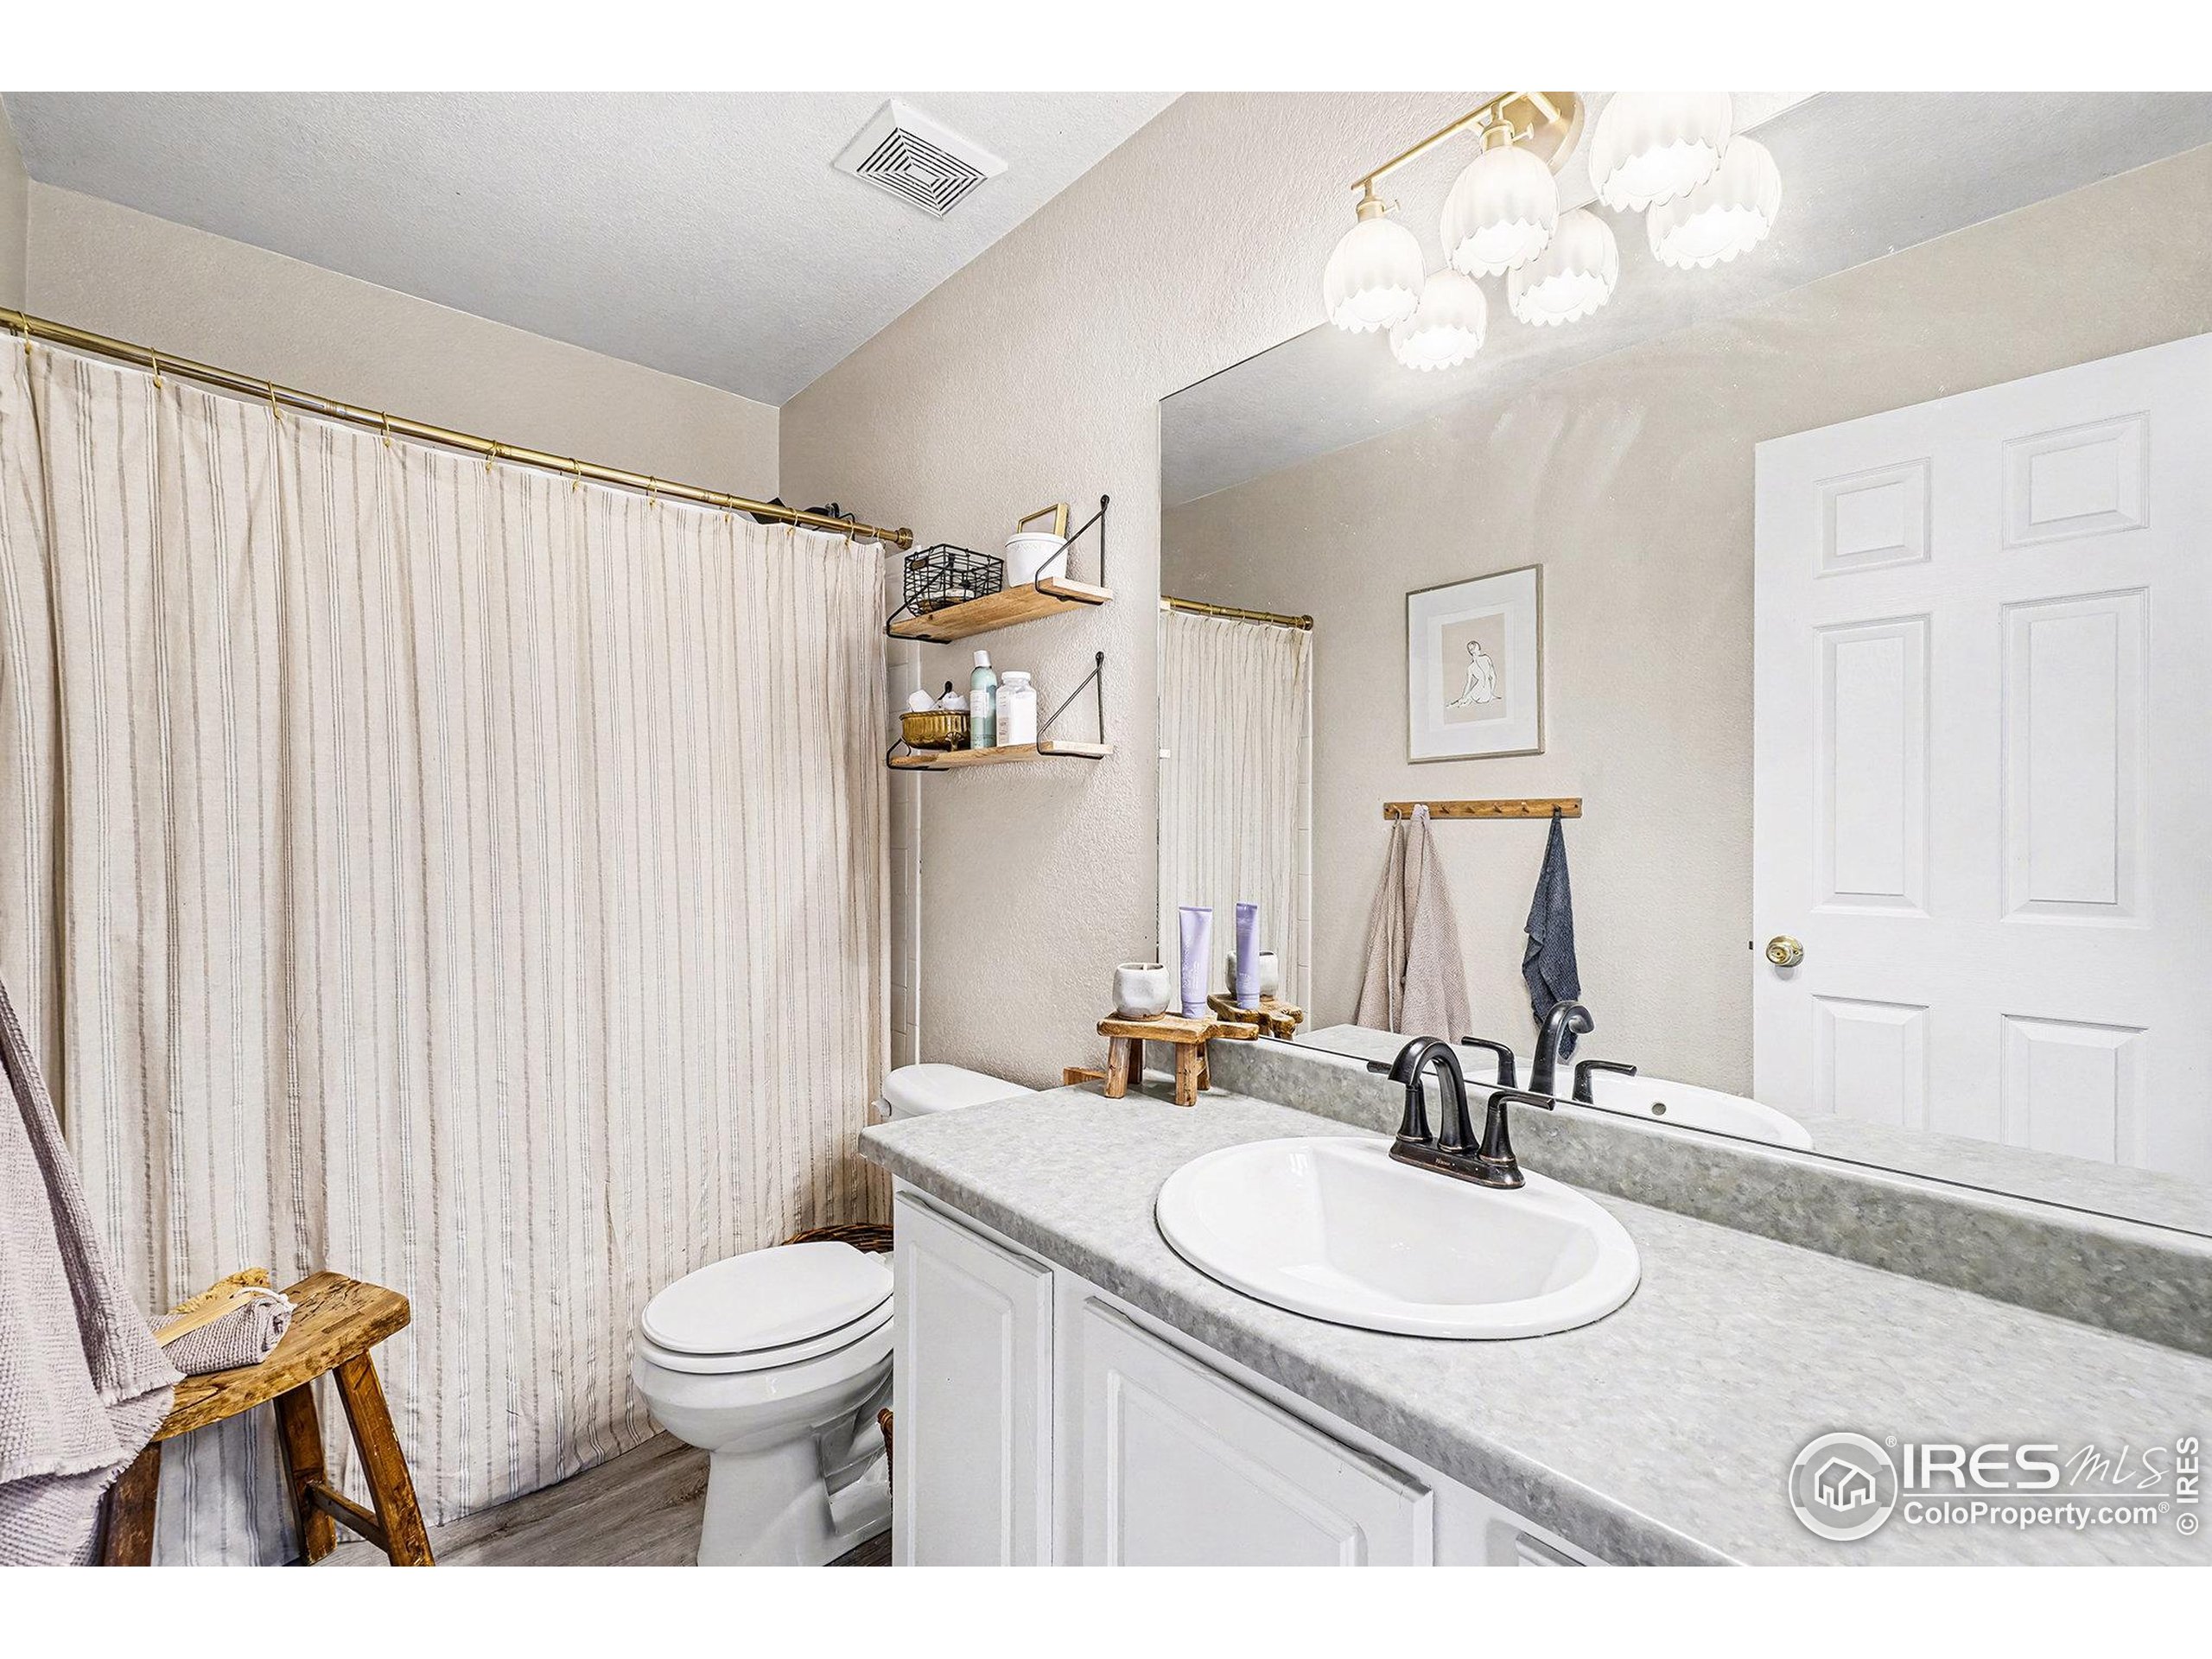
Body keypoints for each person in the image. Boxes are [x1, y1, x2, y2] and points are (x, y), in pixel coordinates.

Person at [1446, 638, 1499, 709]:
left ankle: (1464, 702)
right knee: (1468, 698)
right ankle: (1466, 701)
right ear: (1478, 650)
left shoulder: (1471, 667)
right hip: (1485, 695)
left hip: (1480, 694)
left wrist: (1464, 697)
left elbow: (1468, 684)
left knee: (1466, 698)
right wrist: (1491, 692)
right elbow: (1493, 677)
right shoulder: (1485, 659)